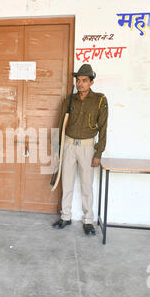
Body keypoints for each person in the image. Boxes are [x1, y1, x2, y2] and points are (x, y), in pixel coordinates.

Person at [52, 64, 108, 235]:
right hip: (68, 146)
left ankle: (88, 220)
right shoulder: (69, 100)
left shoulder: (100, 100)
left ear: (91, 82)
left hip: (87, 148)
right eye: (78, 80)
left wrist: (98, 153)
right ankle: (65, 216)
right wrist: (57, 150)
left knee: (86, 185)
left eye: (84, 80)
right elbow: (60, 124)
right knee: (66, 183)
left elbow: (103, 129)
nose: (80, 84)